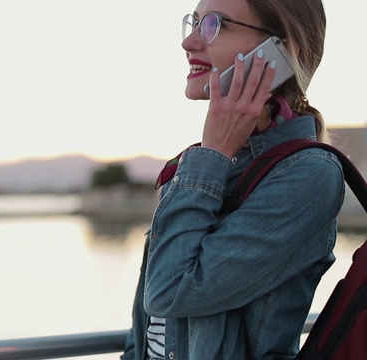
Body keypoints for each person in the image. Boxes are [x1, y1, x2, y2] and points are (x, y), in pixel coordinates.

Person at [122, 0, 344, 359]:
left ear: (281, 50)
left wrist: (212, 155)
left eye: (214, 24)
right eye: (193, 22)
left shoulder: (309, 174)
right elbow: (146, 329)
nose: (189, 42)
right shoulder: (195, 166)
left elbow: (169, 292)